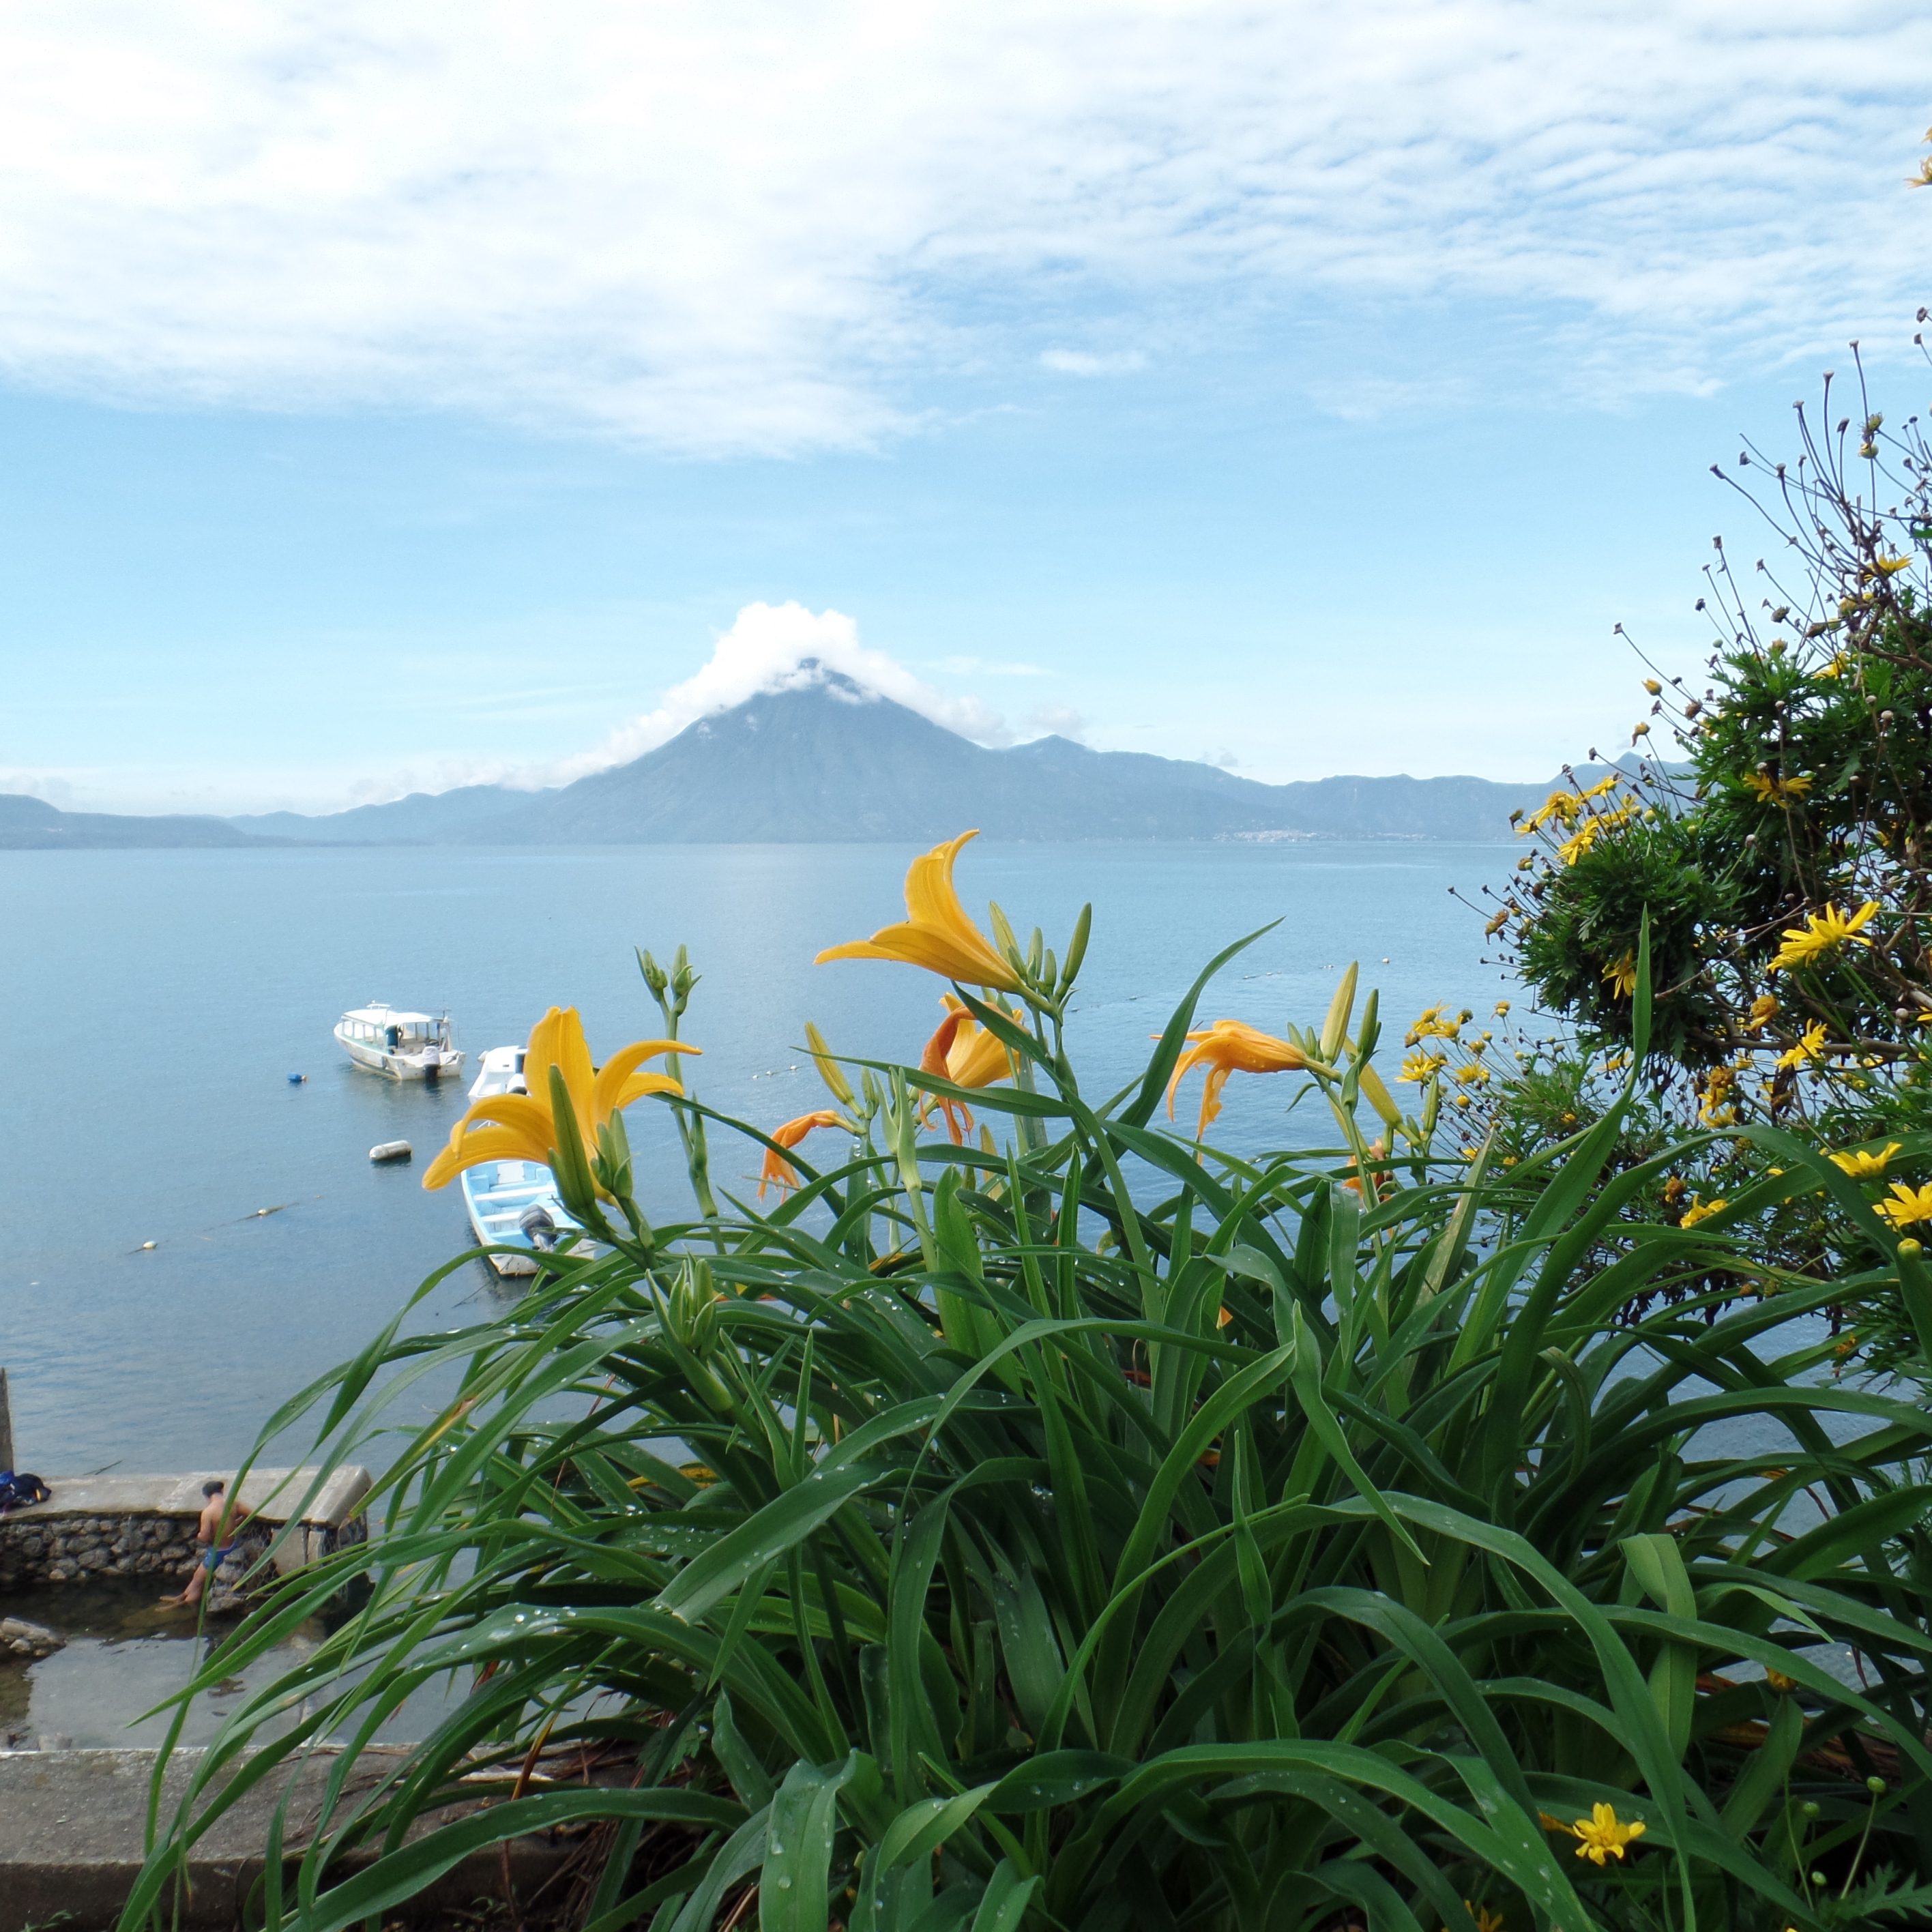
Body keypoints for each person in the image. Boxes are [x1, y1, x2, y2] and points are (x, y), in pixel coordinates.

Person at [159, 1479, 254, 1608]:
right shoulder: (233, 1504)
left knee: (198, 1582)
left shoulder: (209, 1512)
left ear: (207, 1496)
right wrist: (236, 1523)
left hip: (219, 1551)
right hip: (232, 1545)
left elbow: (204, 1537)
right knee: (197, 1575)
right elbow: (251, 1514)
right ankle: (180, 1597)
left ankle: (183, 1605)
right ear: (221, 1491)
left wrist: (199, 1535)